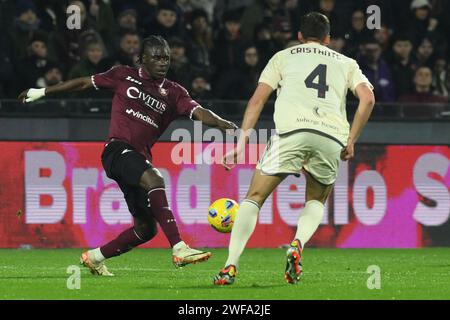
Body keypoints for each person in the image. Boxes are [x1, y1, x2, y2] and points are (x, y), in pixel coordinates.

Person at [19, 35, 238, 276]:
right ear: (142, 59)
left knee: (146, 229)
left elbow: (199, 112)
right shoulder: (123, 75)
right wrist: (42, 92)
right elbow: (83, 83)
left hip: (138, 157)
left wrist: (222, 123)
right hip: (117, 150)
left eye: (166, 58)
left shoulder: (175, 93)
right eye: (156, 57)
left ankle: (95, 257)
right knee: (155, 179)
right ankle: (179, 247)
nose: (163, 62)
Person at [213, 12, 375, 285]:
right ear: (328, 39)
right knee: (315, 199)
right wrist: (351, 139)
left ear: (299, 36)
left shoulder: (283, 56)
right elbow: (368, 99)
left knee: (254, 197)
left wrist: (241, 142)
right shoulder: (347, 63)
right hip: (330, 136)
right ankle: (297, 244)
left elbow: (256, 101)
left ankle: (230, 266)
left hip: (292, 131)